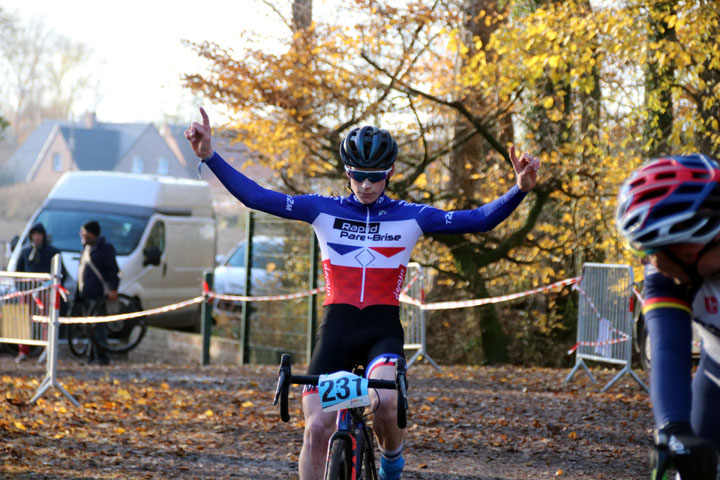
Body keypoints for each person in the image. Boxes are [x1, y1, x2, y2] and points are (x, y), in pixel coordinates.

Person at [186, 107, 540, 480]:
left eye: (374, 177)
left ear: (389, 173)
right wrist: (210, 155)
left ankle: (390, 463)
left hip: (381, 328)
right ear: (346, 172)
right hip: (337, 327)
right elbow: (256, 197)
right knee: (318, 428)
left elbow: (478, 219)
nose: (366, 185)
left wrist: (519, 189)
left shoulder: (411, 215)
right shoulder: (322, 208)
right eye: (358, 176)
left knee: (386, 404)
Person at [616, 154, 720, 479]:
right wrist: (673, 427)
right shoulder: (667, 274)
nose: (652, 262)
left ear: (691, 249)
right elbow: (668, 350)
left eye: (654, 250)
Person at [13, 223, 65, 362]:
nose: (36, 237)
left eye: (39, 234)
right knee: (23, 321)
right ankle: (23, 351)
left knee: (47, 322)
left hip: (46, 293)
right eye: (34, 234)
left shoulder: (53, 252)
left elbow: (61, 273)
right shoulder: (25, 252)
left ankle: (48, 350)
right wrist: (21, 289)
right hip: (28, 292)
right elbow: (18, 273)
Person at [75, 220, 119, 366]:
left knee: (98, 327)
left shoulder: (104, 249)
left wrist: (113, 289)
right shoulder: (87, 249)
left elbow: (113, 270)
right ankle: (92, 356)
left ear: (92, 233)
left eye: (84, 232)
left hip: (98, 294)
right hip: (86, 294)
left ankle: (102, 357)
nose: (82, 235)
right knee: (89, 328)